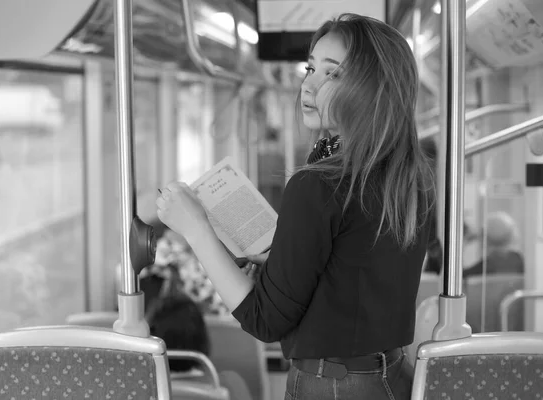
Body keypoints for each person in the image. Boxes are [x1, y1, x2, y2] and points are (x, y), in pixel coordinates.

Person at [156, 13, 434, 400]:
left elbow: (263, 321)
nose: (309, 84)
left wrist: (195, 227)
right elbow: (357, 280)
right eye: (310, 68)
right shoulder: (409, 179)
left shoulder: (318, 184)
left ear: (371, 90)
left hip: (332, 386)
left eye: (332, 75)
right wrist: (280, 268)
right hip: (390, 377)